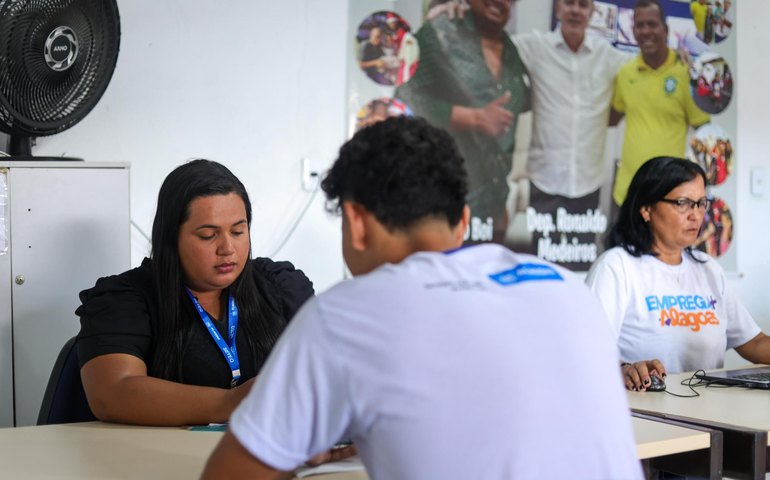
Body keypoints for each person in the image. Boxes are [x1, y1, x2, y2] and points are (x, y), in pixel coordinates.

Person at [201, 117, 643, 479]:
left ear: (355, 222)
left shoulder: (347, 314)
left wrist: (290, 451)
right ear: (464, 221)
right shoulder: (565, 288)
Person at [76, 160, 314, 426]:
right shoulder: (125, 300)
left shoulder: (280, 286)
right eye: (208, 235)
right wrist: (232, 403)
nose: (227, 248)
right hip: (156, 459)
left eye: (238, 231)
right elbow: (113, 393)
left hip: (269, 454)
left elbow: (327, 368)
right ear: (170, 238)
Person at [586, 157, 770, 391]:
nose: (696, 215)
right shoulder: (616, 267)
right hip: (644, 416)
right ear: (646, 209)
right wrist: (624, 369)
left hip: (710, 413)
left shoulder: (707, 268)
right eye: (683, 203)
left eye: (701, 203)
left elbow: (752, 342)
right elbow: (587, 353)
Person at [394, 0, 531, 244]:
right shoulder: (440, 31)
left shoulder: (511, 50)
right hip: (443, 208)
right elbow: (405, 97)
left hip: (493, 209)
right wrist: (473, 118)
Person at [511, 0, 628, 269]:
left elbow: (646, 68)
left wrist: (681, 58)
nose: (576, 10)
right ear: (558, 9)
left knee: (581, 266)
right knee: (543, 266)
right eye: (569, 3)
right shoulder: (536, 47)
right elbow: (493, 42)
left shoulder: (607, 56)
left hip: (588, 183)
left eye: (583, 4)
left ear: (592, 12)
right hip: (544, 183)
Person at [610, 0, 710, 207]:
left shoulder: (685, 72)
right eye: (640, 25)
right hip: (628, 192)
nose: (646, 31)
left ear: (665, 30)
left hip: (668, 195)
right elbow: (612, 117)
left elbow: (705, 131)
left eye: (652, 24)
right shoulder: (625, 73)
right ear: (633, 31)